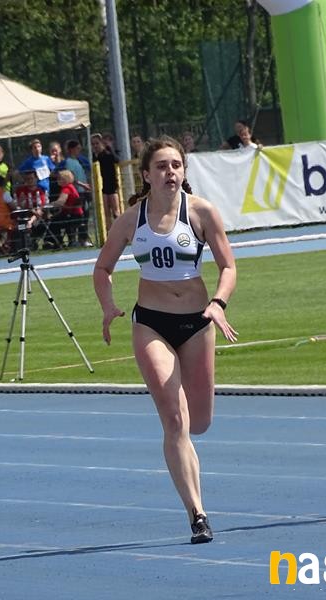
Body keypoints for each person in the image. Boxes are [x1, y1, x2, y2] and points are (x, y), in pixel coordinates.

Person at [92, 136, 238, 544]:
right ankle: (197, 513)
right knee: (174, 419)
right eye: (161, 166)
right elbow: (102, 268)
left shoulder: (202, 212)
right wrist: (108, 306)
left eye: (176, 165)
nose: (170, 172)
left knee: (199, 422)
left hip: (198, 322)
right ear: (146, 175)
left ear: (184, 171)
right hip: (151, 324)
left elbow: (228, 266)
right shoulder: (130, 220)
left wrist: (218, 303)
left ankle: (193, 484)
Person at [90, 132, 120, 231]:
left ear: (101, 143)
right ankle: (110, 232)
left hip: (112, 185)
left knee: (116, 212)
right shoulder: (95, 157)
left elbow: (116, 160)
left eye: (97, 143)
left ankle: (120, 231)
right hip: (102, 187)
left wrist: (109, 148)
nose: (95, 146)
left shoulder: (108, 154)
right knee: (106, 213)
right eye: (93, 144)